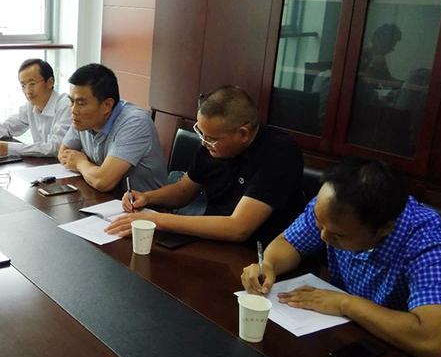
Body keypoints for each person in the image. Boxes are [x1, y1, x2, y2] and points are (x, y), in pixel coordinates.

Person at [240, 158, 441, 357]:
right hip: (348, 333)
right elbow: (290, 242)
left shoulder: (430, 245)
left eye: (338, 236)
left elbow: (433, 342)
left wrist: (345, 304)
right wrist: (268, 265)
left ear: (385, 229)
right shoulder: (332, 206)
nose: (323, 237)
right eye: (319, 224)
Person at [106, 85, 304, 244]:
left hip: (257, 255)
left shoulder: (279, 153)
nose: (204, 142)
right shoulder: (211, 144)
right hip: (211, 240)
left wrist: (158, 220)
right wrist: (147, 198)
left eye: (211, 138)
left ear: (243, 133)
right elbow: (184, 190)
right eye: (200, 133)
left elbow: (239, 228)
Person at [58, 63, 167, 192]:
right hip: (103, 197)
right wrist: (93, 171)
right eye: (71, 101)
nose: (73, 110)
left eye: (81, 103)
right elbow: (64, 154)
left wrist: (80, 163)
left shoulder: (135, 122)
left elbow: (103, 181)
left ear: (107, 105)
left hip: (143, 202)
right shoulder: (82, 119)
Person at [0, 59, 71, 157]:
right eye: (23, 85)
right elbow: (8, 126)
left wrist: (9, 148)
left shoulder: (66, 105)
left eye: (32, 84)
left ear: (50, 82)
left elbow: (55, 148)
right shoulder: (30, 106)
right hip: (45, 165)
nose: (28, 91)